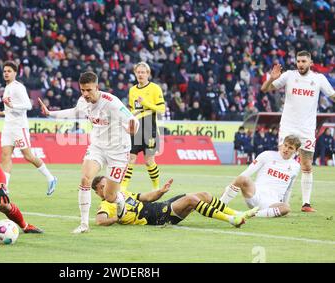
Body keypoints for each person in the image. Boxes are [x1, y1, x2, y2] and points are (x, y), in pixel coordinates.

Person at [38, 71, 139, 234]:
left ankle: (120, 201)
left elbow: (133, 120)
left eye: (89, 90)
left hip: (118, 152)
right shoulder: (83, 101)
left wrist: (133, 130)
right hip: (97, 147)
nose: (85, 94)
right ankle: (84, 224)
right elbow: (74, 112)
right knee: (85, 179)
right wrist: (50, 113)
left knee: (109, 197)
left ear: (97, 87)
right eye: (82, 90)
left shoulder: (112, 102)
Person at [261, 50, 335, 212]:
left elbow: (332, 95)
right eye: (298, 61)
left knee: (307, 166)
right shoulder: (288, 75)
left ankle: (306, 204)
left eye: (303, 61)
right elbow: (264, 89)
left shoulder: (318, 79)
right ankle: (277, 199)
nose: (300, 64)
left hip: (307, 129)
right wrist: (271, 79)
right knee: (283, 161)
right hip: (288, 126)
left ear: (310, 63)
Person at [0, 61, 57, 195]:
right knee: (5, 156)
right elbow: (10, 109)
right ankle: (5, 187)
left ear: (15, 73)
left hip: (19, 127)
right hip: (8, 126)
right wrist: (1, 113)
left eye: (9, 71)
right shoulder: (7, 88)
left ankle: (51, 178)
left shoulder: (18, 87)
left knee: (28, 156)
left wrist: (13, 106)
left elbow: (28, 105)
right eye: (4, 71)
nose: (6, 73)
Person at [92, 177, 257, 227]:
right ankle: (231, 220)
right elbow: (99, 221)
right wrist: (117, 218)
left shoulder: (122, 193)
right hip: (155, 218)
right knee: (192, 200)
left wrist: (160, 191)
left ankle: (238, 214)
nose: (108, 188)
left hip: (157, 207)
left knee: (204, 195)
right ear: (98, 191)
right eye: (103, 187)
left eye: (108, 184)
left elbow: (146, 197)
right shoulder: (106, 204)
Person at [220, 135, 301, 218]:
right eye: (285, 145)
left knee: (286, 208)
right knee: (242, 179)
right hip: (255, 194)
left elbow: (288, 189)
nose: (286, 149)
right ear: (282, 144)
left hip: (272, 203)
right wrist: (228, 188)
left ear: (296, 150)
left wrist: (285, 203)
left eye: (290, 148)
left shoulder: (296, 166)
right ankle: (219, 205)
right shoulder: (267, 155)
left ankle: (251, 215)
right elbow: (247, 172)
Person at [121, 62, 165, 191]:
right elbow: (132, 109)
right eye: (138, 72)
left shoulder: (155, 88)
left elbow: (162, 109)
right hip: (136, 129)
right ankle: (123, 188)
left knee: (149, 160)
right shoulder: (132, 90)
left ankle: (156, 187)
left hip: (149, 128)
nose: (140, 74)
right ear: (135, 73)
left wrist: (145, 103)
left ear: (148, 74)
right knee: (130, 158)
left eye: (143, 72)